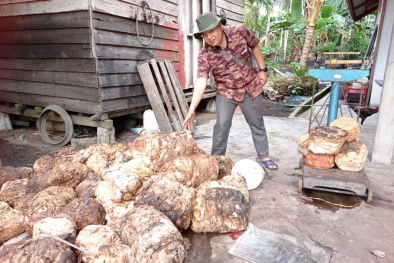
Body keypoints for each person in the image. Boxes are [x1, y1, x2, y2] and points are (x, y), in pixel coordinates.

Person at [182, 12, 278, 170]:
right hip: (226, 92)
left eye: (212, 31)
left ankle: (264, 156)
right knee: (221, 125)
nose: (209, 37)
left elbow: (254, 45)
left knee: (257, 123)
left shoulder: (240, 31)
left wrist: (262, 70)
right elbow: (201, 80)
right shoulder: (205, 54)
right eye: (205, 35)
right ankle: (217, 160)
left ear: (220, 26)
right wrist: (192, 109)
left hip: (250, 87)